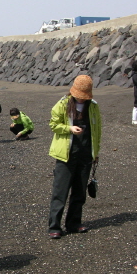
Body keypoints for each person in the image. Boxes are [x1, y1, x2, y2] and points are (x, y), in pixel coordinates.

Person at [47, 75, 101, 239]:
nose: (82, 98)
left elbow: (97, 130)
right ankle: (54, 226)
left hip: (85, 153)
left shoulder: (93, 106)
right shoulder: (63, 104)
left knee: (80, 192)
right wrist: (69, 129)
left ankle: (73, 223)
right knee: (60, 192)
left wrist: (95, 152)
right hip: (66, 154)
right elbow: (53, 125)